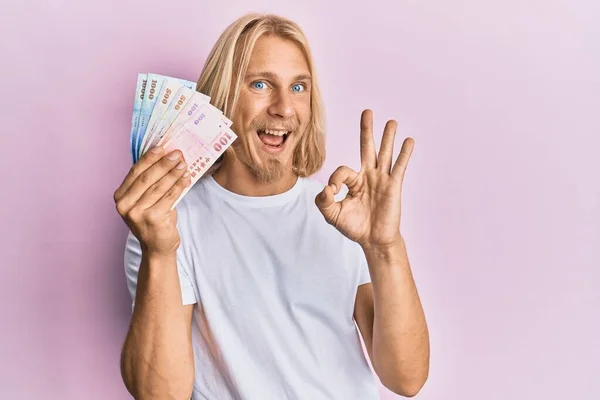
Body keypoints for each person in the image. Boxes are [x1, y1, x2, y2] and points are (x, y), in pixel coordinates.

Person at [114, 12, 430, 400]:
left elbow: (406, 378)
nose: (283, 107)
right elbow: (160, 394)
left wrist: (385, 247)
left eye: (299, 87)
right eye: (260, 84)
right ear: (223, 97)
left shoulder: (346, 216)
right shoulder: (167, 226)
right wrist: (159, 253)